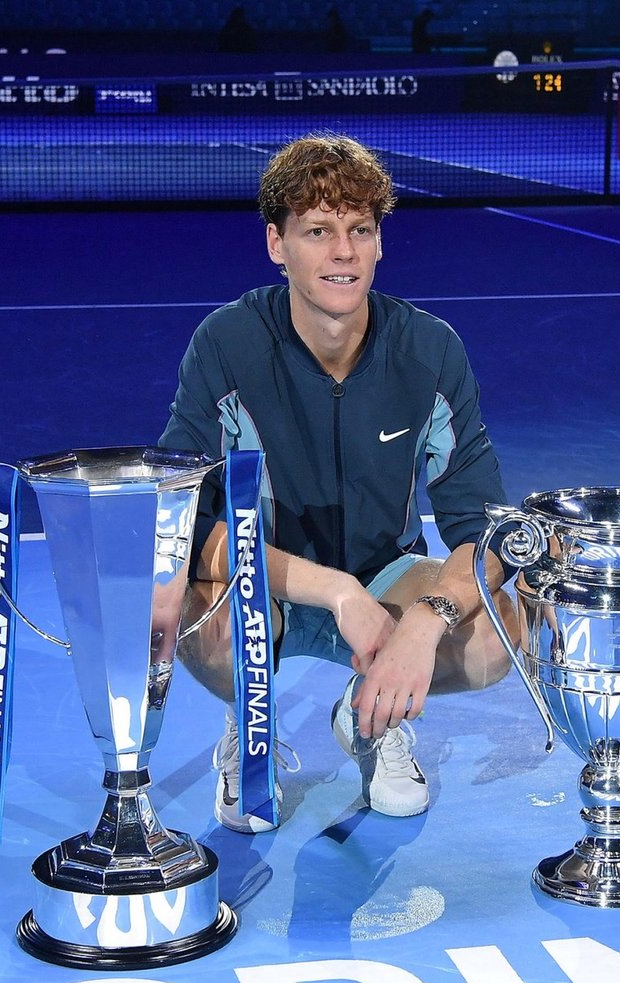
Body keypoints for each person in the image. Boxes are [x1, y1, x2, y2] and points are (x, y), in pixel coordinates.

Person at [158, 133, 516, 834]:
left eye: (360, 229)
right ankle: (249, 726)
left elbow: (487, 530)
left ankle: (371, 715)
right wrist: (333, 590)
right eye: (318, 231)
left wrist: (424, 621)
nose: (343, 251)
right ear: (277, 244)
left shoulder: (430, 349)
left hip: (389, 583)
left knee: (499, 636)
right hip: (270, 586)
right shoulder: (225, 344)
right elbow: (183, 518)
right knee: (197, 608)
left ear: (381, 242)